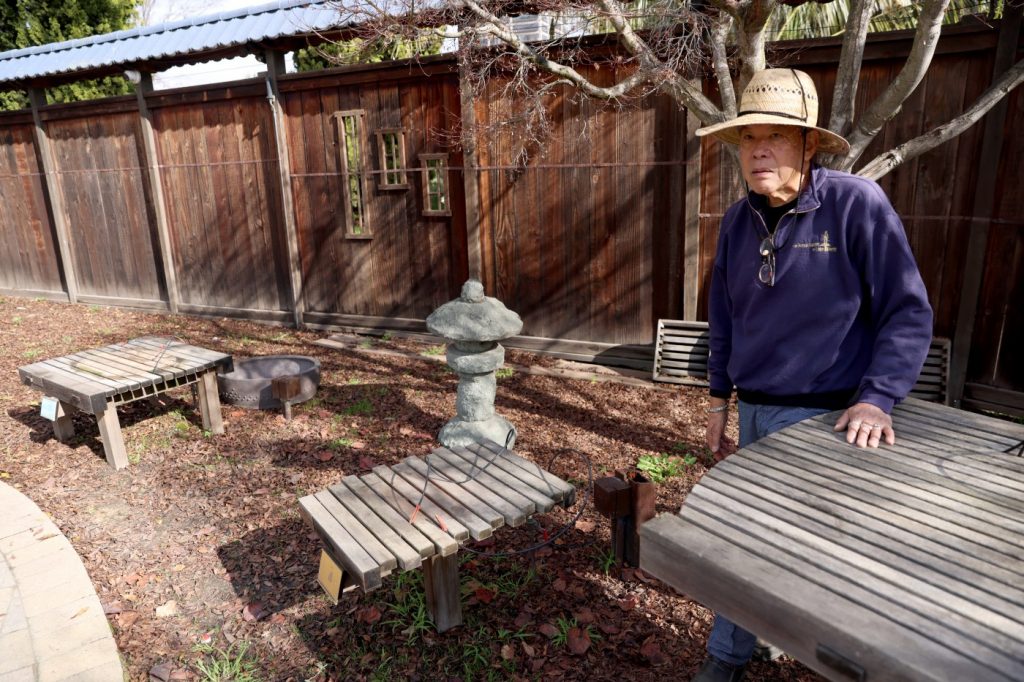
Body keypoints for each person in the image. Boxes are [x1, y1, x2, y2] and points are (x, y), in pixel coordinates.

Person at [690, 68, 934, 682]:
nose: (759, 150)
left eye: (776, 136)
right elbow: (724, 319)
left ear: (808, 145)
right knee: (758, 536)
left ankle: (727, 660)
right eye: (748, 139)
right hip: (754, 408)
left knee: (777, 543)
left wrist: (878, 397)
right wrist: (719, 402)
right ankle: (760, 641)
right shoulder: (737, 222)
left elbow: (907, 309)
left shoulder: (855, 204)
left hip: (827, 417)